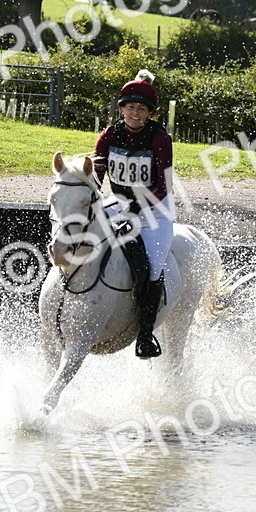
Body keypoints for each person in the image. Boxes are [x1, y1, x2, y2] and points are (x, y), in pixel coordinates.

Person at [92, 69, 175, 358]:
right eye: (130, 108)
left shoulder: (160, 138)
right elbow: (96, 175)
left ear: (149, 113)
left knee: (152, 267)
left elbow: (163, 185)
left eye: (141, 109)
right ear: (122, 109)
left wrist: (137, 207)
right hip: (119, 203)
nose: (135, 113)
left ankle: (145, 335)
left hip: (156, 211)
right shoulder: (108, 136)